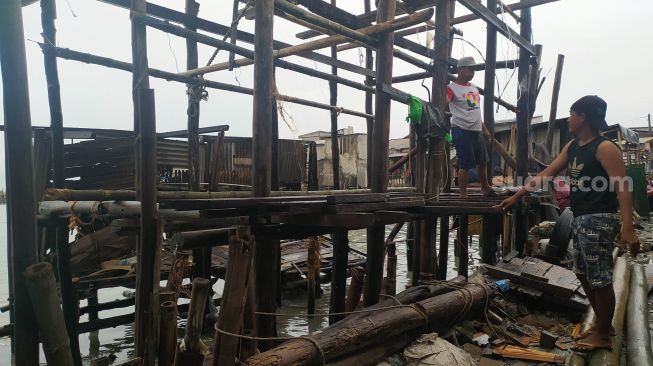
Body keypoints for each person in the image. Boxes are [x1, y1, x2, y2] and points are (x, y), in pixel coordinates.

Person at [496, 95, 639, 352]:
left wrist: (627, 228)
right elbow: (545, 174)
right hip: (579, 216)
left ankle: (603, 334)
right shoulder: (573, 146)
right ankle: (604, 325)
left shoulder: (604, 148)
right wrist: (516, 197)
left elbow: (624, 190)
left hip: (598, 218)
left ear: (583, 117)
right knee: (583, 273)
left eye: (572, 114)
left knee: (600, 278)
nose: (569, 119)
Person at [447, 56, 494, 197]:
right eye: (470, 69)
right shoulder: (451, 88)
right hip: (460, 129)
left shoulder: (473, 88)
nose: (473, 72)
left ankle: (485, 187)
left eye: (474, 69)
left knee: (483, 161)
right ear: (460, 70)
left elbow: (476, 112)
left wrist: (485, 130)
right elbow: (443, 102)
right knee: (465, 163)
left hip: (476, 129)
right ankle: (462, 193)